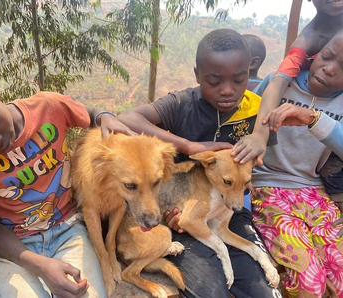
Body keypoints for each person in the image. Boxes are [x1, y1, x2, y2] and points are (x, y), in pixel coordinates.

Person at [0, 61, 135, 298]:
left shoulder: (49, 107)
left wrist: (106, 116)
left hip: (69, 230)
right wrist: (39, 266)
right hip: (11, 250)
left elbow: (91, 114)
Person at [118, 29, 281, 298]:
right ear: (197, 75)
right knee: (211, 292)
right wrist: (188, 146)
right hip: (181, 218)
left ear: (249, 72)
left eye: (239, 80)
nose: (227, 90)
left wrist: (261, 137)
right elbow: (127, 117)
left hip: (231, 211)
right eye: (214, 81)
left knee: (261, 292)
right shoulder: (182, 104)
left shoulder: (255, 110)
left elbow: (255, 166)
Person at [248, 31, 343, 297]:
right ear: (317, 52)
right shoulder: (279, 84)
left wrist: (314, 119)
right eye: (327, 56)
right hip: (267, 188)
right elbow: (241, 124)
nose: (329, 69)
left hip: (314, 194)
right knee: (309, 282)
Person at [232, 0, 343, 165]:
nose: (329, 68)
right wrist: (260, 135)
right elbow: (277, 83)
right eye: (325, 56)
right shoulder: (308, 39)